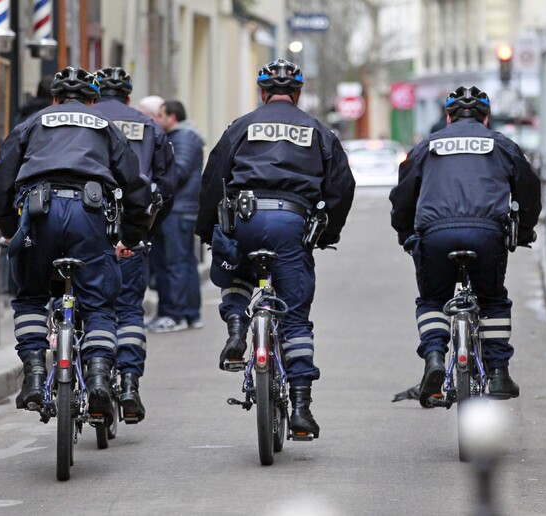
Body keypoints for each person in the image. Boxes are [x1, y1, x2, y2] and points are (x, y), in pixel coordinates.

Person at [195, 58, 356, 438]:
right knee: (296, 317)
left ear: (262, 93)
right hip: (291, 223)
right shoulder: (318, 131)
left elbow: (213, 179)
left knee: (236, 270)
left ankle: (236, 328)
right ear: (298, 95)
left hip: (245, 217)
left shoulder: (241, 126)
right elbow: (341, 187)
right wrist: (326, 233)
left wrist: (208, 232)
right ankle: (300, 408)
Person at [0, 66, 151, 417]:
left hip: (38, 213)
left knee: (31, 297)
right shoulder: (105, 126)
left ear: (55, 99)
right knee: (98, 305)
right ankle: (100, 380)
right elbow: (135, 185)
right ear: (93, 101)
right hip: (88, 215)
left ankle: (32, 376)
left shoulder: (32, 123)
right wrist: (131, 235)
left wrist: (9, 230)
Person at [389, 86, 541, 407]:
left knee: (432, 299)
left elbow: (403, 195)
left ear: (447, 117)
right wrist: (523, 232)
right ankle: (498, 371)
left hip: (436, 234)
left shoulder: (426, 146)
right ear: (486, 119)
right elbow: (529, 189)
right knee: (492, 300)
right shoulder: (502, 144)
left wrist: (406, 234)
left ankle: (434, 358)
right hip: (487, 233)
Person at [92, 66, 175, 422]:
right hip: (130, 231)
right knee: (128, 310)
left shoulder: (85, 120)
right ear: (129, 97)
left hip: (86, 230)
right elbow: (166, 185)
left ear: (93, 97)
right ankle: (128, 384)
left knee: (89, 307)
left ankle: (92, 375)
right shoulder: (150, 126)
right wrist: (145, 231)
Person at [147, 100, 204, 333]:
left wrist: (153, 177)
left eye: (160, 116)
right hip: (180, 210)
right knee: (182, 263)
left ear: (172, 118)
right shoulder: (183, 138)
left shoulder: (184, 138)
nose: (157, 120)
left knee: (175, 264)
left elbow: (178, 171)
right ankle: (188, 314)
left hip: (178, 210)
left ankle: (175, 314)